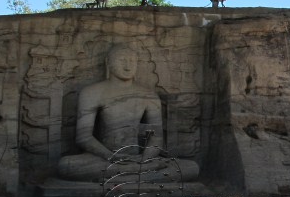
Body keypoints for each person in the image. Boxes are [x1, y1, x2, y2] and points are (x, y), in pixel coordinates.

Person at [58, 44, 199, 181]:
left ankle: (122, 175)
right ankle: (139, 174)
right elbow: (84, 138)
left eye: (132, 61)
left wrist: (145, 159)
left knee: (191, 167)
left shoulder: (148, 95)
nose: (128, 66)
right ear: (108, 62)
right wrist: (112, 157)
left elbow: (156, 138)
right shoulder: (92, 93)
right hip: (104, 158)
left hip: (139, 159)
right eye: (122, 60)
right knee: (66, 165)